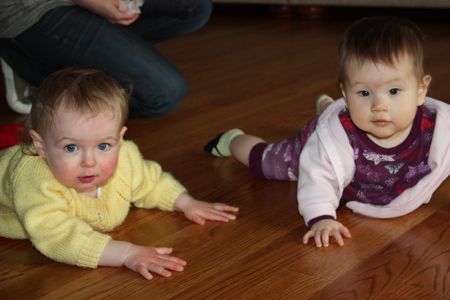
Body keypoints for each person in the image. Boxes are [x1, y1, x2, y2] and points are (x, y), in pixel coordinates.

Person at [204, 16, 450, 248]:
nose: (379, 106)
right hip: (319, 142)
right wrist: (321, 217)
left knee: (343, 115)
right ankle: (234, 139)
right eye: (364, 93)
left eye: (394, 91)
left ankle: (328, 107)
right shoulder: (330, 140)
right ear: (346, 93)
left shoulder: (440, 128)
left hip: (346, 129)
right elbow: (318, 178)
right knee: (266, 163)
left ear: (421, 89)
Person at [0, 68, 239, 280]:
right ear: (41, 147)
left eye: (104, 146)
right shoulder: (33, 179)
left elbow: (150, 181)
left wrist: (187, 203)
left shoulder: (125, 156)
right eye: (71, 148)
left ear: (120, 138)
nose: (90, 161)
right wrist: (125, 253)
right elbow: (57, 234)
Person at [0, 0, 212, 115]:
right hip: (30, 8)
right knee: (165, 93)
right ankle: (30, 65)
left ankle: (75, 56)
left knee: (194, 7)